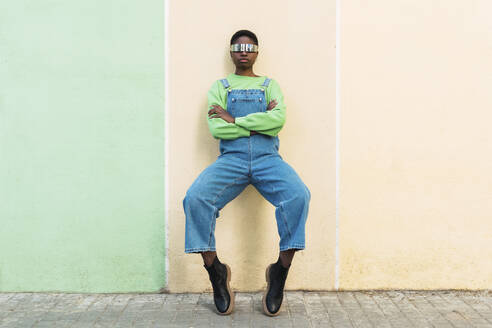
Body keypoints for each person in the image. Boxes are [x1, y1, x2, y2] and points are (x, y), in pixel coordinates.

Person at [183, 30, 310, 316]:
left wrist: (235, 118)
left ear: (257, 51)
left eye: (249, 47)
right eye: (238, 47)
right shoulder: (221, 86)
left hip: (268, 159)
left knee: (298, 196)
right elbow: (218, 128)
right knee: (195, 199)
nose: (243, 51)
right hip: (232, 159)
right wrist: (259, 121)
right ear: (231, 51)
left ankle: (279, 271)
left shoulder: (269, 85)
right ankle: (216, 271)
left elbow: (277, 123)